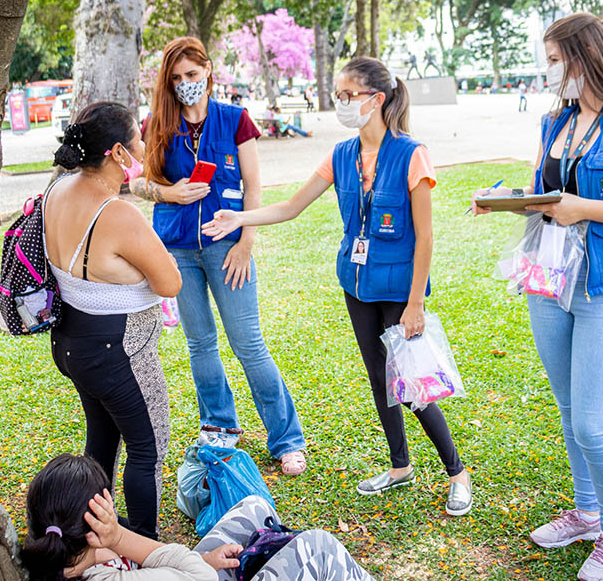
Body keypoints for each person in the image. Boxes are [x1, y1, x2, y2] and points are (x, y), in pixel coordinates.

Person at [202, 56, 473, 516]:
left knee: (410, 382)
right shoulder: (342, 155)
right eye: (338, 95)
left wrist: (415, 305)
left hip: (398, 289)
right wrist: (241, 216)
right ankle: (400, 466)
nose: (340, 104)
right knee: (378, 376)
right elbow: (291, 206)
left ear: (376, 99)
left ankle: (457, 471)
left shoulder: (412, 154)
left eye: (348, 96)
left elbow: (426, 236)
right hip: (357, 282)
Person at [471, 13, 603, 581]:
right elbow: (547, 192)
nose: (550, 72)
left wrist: (584, 207)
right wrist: (506, 200)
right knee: (570, 413)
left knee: (594, 422)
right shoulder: (554, 122)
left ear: (585, 56)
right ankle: (587, 513)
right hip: (548, 281)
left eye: (555, 60)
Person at [129, 37, 307, 476]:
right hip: (177, 249)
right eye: (176, 78)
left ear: (208, 70)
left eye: (191, 75)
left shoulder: (235, 120)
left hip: (229, 247)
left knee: (248, 343)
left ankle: (286, 439)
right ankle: (219, 426)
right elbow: (134, 184)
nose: (185, 84)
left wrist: (247, 241)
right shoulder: (157, 125)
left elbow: (254, 187)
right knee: (200, 343)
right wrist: (168, 192)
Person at [45, 102, 183, 540]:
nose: (144, 145)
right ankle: (141, 543)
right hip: (116, 351)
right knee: (147, 447)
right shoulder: (118, 213)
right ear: (119, 153)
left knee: (102, 440)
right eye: (138, 139)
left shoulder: (57, 190)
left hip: (72, 342)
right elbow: (170, 282)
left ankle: (87, 534)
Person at [21, 454, 375, 581]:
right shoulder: (106, 568)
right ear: (96, 524)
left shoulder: (68, 557)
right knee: (318, 547)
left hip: (186, 572)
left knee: (254, 507)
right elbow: (201, 577)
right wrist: (119, 539)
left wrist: (203, 557)